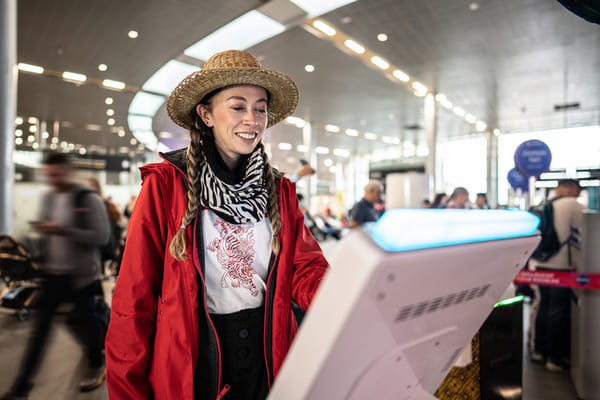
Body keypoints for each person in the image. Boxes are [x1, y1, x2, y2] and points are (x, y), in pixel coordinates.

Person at [105, 50, 328, 400]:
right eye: (237, 107)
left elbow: (306, 268)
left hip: (267, 350)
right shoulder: (166, 185)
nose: (252, 119)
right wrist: (128, 391)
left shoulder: (279, 189)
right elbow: (134, 300)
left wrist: (351, 299)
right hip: (197, 355)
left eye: (260, 108)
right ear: (206, 114)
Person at [2, 152, 109, 399]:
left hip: (81, 277)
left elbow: (100, 237)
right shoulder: (50, 198)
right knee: (40, 332)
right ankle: (22, 386)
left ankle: (97, 358)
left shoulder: (87, 198)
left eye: (58, 174)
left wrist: (63, 229)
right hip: (54, 276)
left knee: (87, 321)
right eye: (49, 175)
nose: (54, 179)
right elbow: (50, 233)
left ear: (68, 171)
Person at [530, 179, 584, 371]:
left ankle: (538, 351)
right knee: (558, 311)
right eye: (577, 189)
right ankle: (554, 358)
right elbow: (583, 234)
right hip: (562, 267)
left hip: (542, 264)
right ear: (569, 187)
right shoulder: (574, 205)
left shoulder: (545, 203)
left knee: (544, 307)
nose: (578, 193)